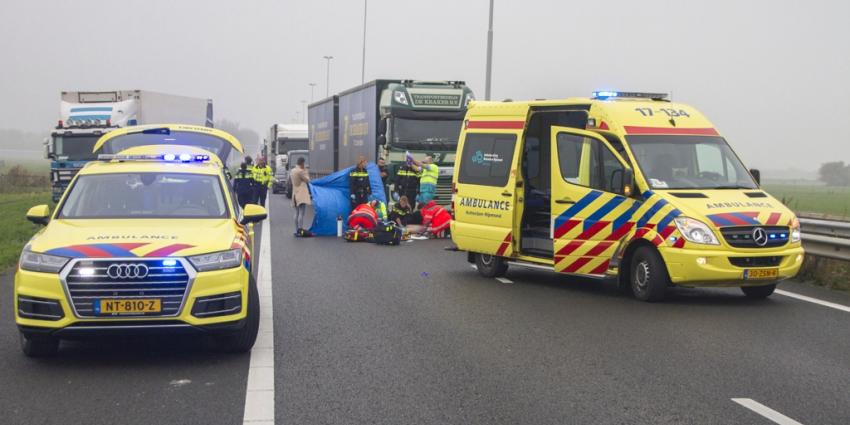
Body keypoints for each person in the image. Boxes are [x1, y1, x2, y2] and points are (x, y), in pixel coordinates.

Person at [290, 156, 312, 232]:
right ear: (302, 163)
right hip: (301, 195)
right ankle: (300, 229)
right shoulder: (301, 171)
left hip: (294, 194)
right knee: (301, 213)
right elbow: (307, 180)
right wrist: (305, 170)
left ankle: (296, 230)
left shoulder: (292, 171)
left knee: (296, 213)